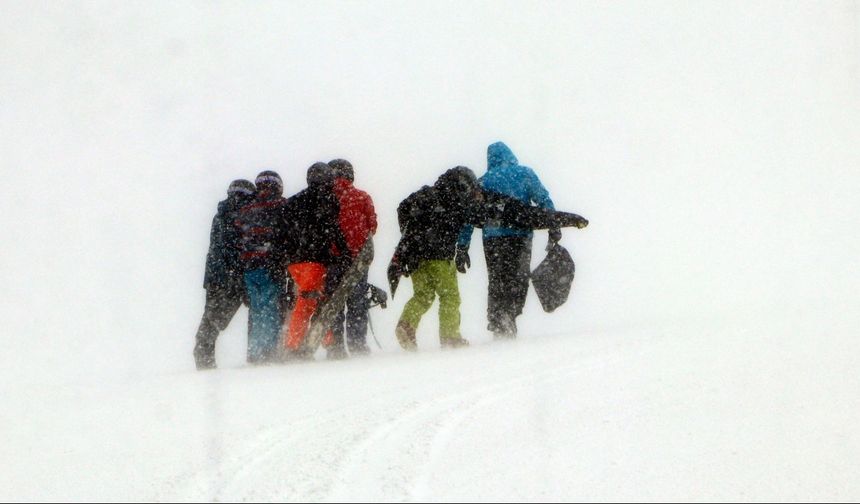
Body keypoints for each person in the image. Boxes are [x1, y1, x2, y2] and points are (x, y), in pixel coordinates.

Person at [457, 141, 559, 340]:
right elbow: (543, 200)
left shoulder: (483, 181)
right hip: (520, 237)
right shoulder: (525, 174)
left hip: (493, 239)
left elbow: (470, 217)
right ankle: (510, 315)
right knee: (519, 278)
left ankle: (497, 320)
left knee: (496, 279)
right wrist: (553, 226)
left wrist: (462, 246)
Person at [390, 167, 484, 351]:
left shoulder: (425, 194)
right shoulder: (456, 201)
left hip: (415, 256)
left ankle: (406, 325)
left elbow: (402, 207)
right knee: (450, 296)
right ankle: (450, 337)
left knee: (423, 296)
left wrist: (410, 235)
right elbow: (477, 219)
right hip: (440, 256)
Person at [281, 162, 350, 360]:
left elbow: (284, 231)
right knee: (310, 302)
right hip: (315, 259)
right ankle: (296, 346)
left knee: (312, 300)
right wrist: (344, 253)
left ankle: (321, 342)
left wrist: (285, 255)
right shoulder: (327, 200)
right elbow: (333, 229)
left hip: (294, 262)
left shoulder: (294, 202)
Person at [194, 179, 256, 370]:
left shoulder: (220, 214)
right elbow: (236, 248)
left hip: (214, 276)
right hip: (233, 276)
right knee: (255, 312)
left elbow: (219, 247)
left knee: (211, 318)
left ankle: (204, 359)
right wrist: (240, 276)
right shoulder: (243, 215)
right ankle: (256, 357)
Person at [235, 171, 289, 364]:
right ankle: (268, 352)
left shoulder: (247, 209)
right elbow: (285, 234)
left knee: (257, 309)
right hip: (270, 264)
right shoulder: (281, 206)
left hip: (249, 266)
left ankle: (255, 351)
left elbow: (239, 236)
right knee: (271, 309)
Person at [327, 158, 378, 356]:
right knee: (357, 303)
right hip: (358, 259)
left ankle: (335, 347)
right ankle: (357, 344)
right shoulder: (362, 197)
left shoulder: (327, 198)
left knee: (334, 304)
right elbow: (373, 225)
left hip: (332, 258)